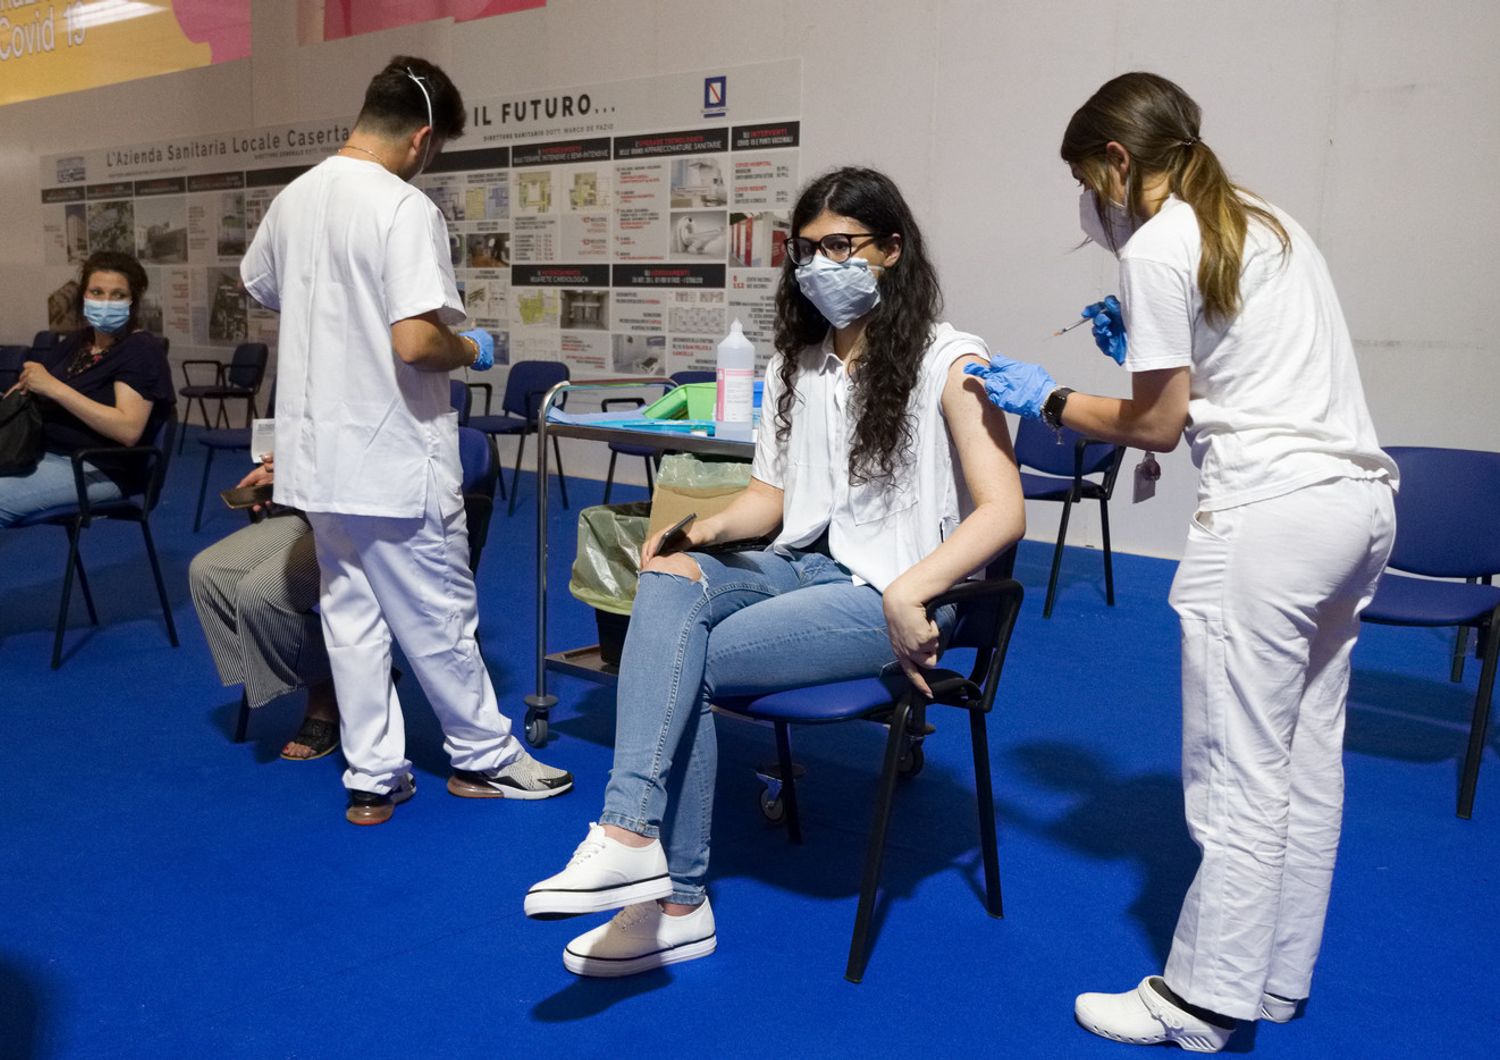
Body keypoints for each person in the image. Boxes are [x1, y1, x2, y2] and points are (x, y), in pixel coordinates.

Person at [965, 73, 1397, 1051]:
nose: (1090, 207)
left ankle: (1202, 1001)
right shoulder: (1264, 220)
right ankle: (1278, 977)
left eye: (1089, 179)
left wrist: (1052, 399)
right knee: (1307, 758)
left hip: (1271, 523)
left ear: (1118, 159)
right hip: (1359, 510)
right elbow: (1245, 372)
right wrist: (1169, 364)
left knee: (1239, 770)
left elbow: (1151, 425)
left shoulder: (1160, 243)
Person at [524, 167, 1025, 977]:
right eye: (807, 251)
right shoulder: (798, 366)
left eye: (842, 246)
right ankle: (636, 848)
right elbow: (771, 498)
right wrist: (702, 530)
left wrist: (908, 589)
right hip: (803, 566)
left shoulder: (949, 358)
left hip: (901, 592)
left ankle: (670, 896)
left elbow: (1003, 511)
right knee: (667, 583)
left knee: (677, 661)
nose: (821, 266)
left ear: (890, 250)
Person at [239, 55, 572, 825]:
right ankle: (484, 760)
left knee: (351, 616)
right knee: (442, 615)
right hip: (393, 455)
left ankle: (373, 777)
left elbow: (262, 286)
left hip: (320, 459)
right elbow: (418, 342)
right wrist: (473, 349)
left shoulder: (293, 199)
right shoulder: (402, 208)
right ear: (422, 139)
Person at [1, 251, 173, 526]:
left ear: (133, 301)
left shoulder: (140, 350)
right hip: (39, 453)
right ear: (83, 296)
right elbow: (34, 382)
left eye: (117, 295)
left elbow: (128, 429)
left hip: (95, 467)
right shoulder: (78, 342)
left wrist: (55, 389)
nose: (106, 302)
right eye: (97, 292)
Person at [188, 458, 341, 761]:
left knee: (259, 593)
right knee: (207, 572)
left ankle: (326, 694)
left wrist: (302, 470)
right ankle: (351, 668)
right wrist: (282, 470)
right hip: (307, 504)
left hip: (359, 514)